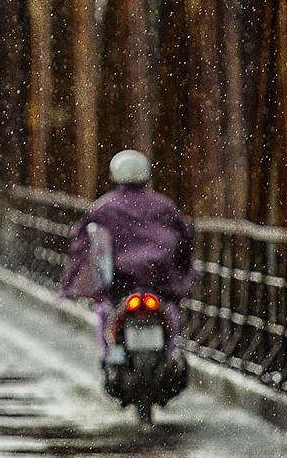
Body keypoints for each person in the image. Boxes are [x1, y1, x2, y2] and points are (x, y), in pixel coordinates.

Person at [59, 149, 199, 361]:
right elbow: (184, 240)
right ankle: (169, 353)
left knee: (104, 310)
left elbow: (82, 245)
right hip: (159, 282)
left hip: (120, 283)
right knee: (170, 311)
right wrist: (184, 276)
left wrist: (69, 282)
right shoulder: (164, 206)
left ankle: (108, 356)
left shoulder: (104, 207)